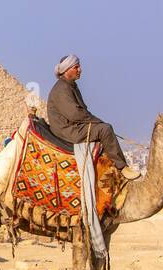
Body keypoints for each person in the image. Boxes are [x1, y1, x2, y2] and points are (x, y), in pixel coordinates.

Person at [46, 53, 140, 181]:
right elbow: (75, 114)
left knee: (101, 128)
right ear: (67, 70)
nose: (80, 70)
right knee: (105, 129)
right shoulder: (62, 89)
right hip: (67, 130)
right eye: (76, 67)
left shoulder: (70, 86)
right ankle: (122, 167)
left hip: (73, 125)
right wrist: (97, 121)